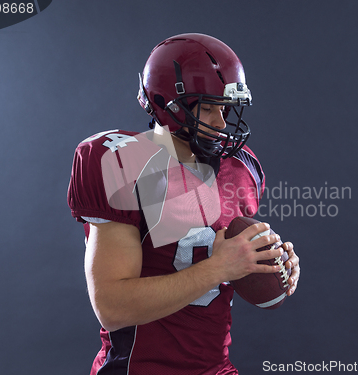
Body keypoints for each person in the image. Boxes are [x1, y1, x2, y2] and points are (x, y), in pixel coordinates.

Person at [67, 33, 300, 375]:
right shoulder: (122, 164)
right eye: (208, 108)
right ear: (168, 104)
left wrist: (268, 262)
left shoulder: (241, 167)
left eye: (225, 108)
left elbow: (229, 253)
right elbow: (111, 306)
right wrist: (220, 268)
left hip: (215, 368)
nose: (222, 124)